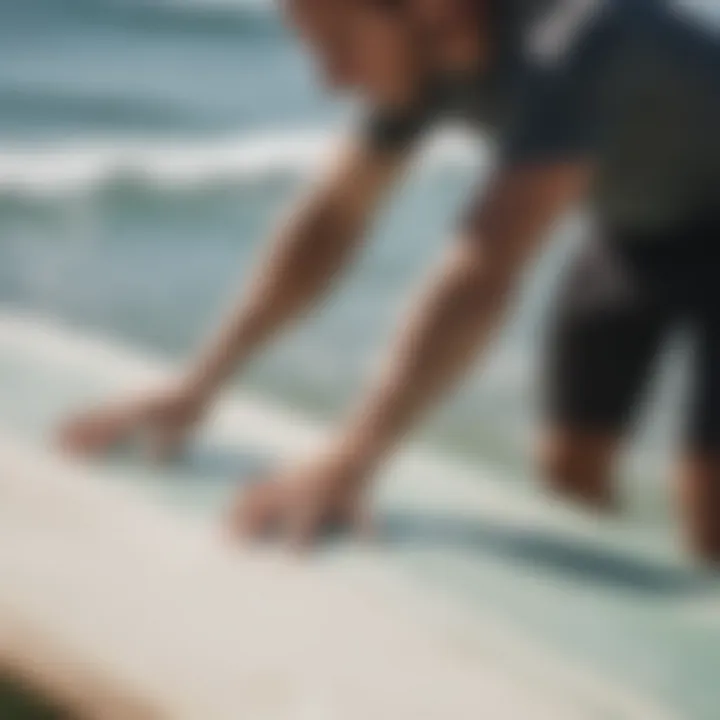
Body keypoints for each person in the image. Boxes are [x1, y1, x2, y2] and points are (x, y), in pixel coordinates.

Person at [60, 0, 720, 559]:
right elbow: (331, 221)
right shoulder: (421, 56)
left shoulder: (582, 38)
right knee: (567, 471)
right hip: (637, 234)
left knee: (705, 498)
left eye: (339, 44)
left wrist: (351, 459)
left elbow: (483, 269)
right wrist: (197, 384)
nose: (331, 82)